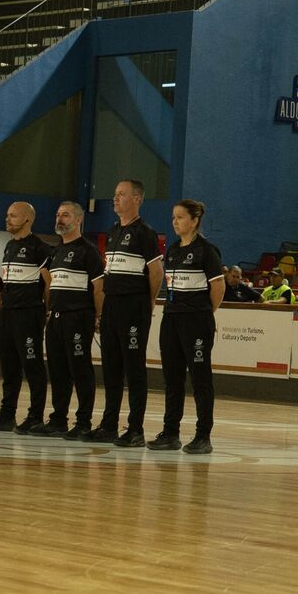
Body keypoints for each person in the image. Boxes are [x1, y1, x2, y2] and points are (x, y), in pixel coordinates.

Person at [149, 200, 225, 454]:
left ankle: (203, 435)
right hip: (171, 319)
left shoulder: (207, 250)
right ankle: (170, 433)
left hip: (197, 321)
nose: (175, 222)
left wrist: (202, 314)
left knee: (200, 379)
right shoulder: (171, 250)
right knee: (172, 379)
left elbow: (218, 288)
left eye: (180, 217)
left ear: (194, 220)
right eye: (173, 217)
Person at [93, 179, 163, 447]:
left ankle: (136, 429)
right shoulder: (111, 233)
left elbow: (156, 272)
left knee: (134, 368)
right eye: (115, 194)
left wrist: (148, 303)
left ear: (137, 199)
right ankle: (109, 424)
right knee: (111, 367)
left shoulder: (145, 233)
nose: (115, 198)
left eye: (121, 194)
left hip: (134, 307)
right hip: (112, 305)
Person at [29, 201, 104, 439]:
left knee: (80, 369)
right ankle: (58, 419)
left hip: (78, 317)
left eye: (66, 215)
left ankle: (83, 422)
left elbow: (99, 287)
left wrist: (97, 316)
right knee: (58, 370)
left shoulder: (88, 251)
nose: (60, 219)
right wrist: (49, 311)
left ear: (79, 220)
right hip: (56, 319)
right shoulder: (56, 251)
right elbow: (51, 285)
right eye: (58, 214)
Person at [0, 202, 51, 433]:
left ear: (27, 220)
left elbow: (48, 282)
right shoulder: (10, 246)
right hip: (8, 315)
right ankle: (7, 413)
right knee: (9, 366)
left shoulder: (39, 248)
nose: (8, 219)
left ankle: (35, 415)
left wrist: (46, 309)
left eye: (13, 216)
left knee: (32, 365)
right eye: (7, 215)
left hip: (29, 315)